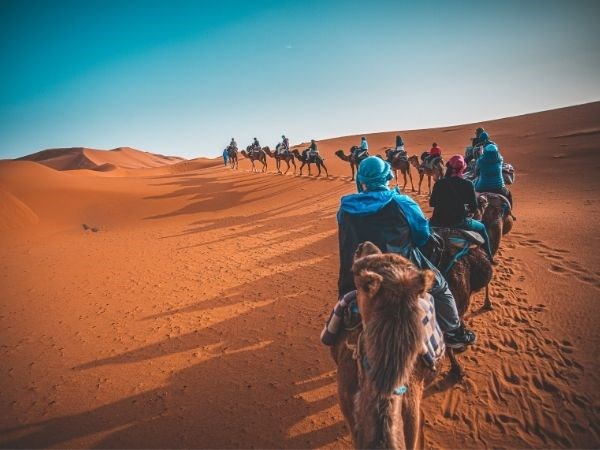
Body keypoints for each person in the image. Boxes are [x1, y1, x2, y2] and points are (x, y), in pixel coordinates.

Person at [337, 156, 476, 348]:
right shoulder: (403, 203)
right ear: (388, 176)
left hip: (357, 273)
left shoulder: (344, 208)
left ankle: (337, 328)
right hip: (402, 273)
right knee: (441, 288)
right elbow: (422, 237)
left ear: (360, 180)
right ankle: (454, 333)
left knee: (345, 301)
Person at [429, 155, 494, 261]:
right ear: (463, 168)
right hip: (459, 222)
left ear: (448, 167)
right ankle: (489, 257)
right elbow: (474, 208)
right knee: (482, 227)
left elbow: (432, 203)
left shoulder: (439, 183)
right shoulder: (468, 184)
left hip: (437, 222)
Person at [474, 143, 513, 208]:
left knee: (473, 195)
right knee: (508, 194)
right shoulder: (500, 160)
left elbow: (476, 172)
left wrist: (481, 154)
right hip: (498, 187)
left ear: (485, 151)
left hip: (481, 187)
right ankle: (509, 212)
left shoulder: (480, 161)